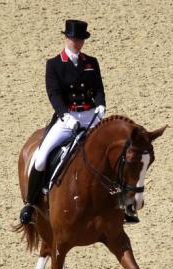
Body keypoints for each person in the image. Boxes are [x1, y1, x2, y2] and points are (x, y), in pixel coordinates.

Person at [19, 19, 106, 225]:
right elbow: (54, 94)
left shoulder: (91, 63)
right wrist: (65, 115)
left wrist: (101, 105)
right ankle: (31, 205)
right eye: (73, 39)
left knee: (110, 154)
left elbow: (99, 88)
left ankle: (122, 205)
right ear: (66, 38)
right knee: (40, 158)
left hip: (91, 116)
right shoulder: (55, 64)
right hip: (67, 118)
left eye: (80, 39)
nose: (77, 43)